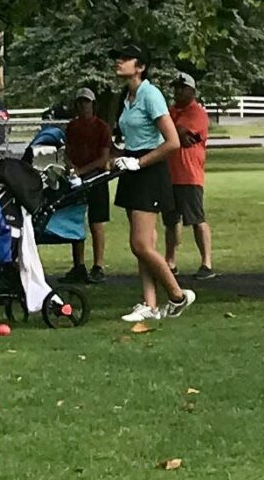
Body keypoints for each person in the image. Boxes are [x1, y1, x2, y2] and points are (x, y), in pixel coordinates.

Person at [111, 44, 195, 322]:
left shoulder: (151, 94)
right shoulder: (128, 96)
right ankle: (149, 305)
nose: (118, 62)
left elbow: (172, 142)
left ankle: (178, 296)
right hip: (134, 168)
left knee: (140, 245)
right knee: (143, 244)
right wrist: (124, 157)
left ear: (141, 66)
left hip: (150, 171)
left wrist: (139, 162)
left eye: (125, 59)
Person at [163, 73, 216, 280]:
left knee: (196, 219)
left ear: (192, 91)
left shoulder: (197, 112)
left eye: (181, 87)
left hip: (189, 174)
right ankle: (170, 261)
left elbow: (182, 134)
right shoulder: (171, 111)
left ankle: (206, 262)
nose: (177, 91)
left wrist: (171, 129)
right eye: (176, 87)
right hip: (170, 174)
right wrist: (174, 131)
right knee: (170, 221)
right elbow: (172, 133)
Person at [60, 87, 111, 284]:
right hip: (77, 178)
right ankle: (78, 265)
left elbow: (103, 159)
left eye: (86, 102)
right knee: (75, 221)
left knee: (96, 222)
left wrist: (81, 171)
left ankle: (98, 265)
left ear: (93, 104)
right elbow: (68, 152)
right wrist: (71, 167)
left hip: (96, 178)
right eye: (80, 102)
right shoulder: (72, 126)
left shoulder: (102, 127)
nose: (83, 106)